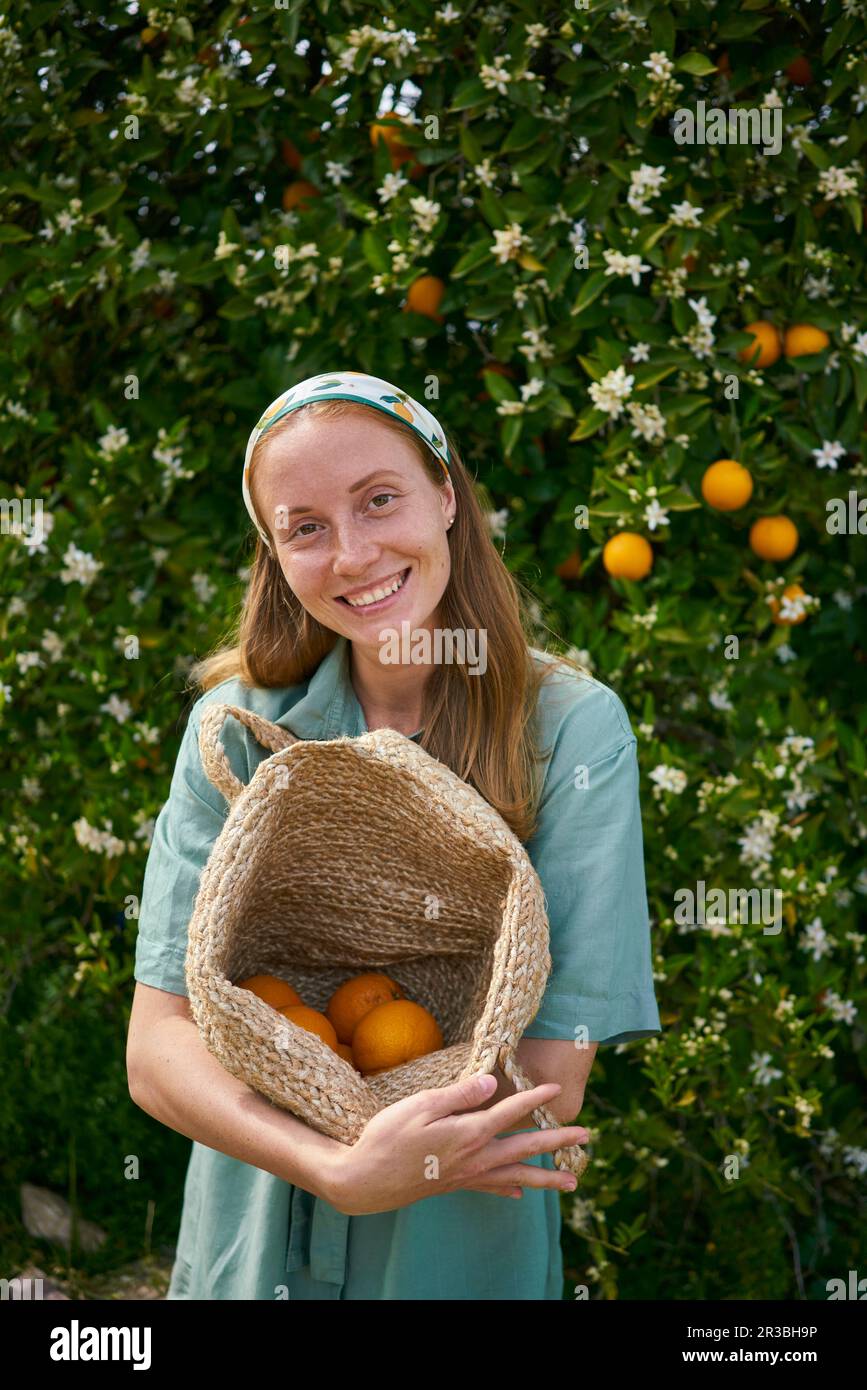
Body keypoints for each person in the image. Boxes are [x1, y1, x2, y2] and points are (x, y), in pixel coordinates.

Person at [126, 370, 662, 1300]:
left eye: (379, 501)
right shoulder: (237, 729)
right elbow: (157, 1048)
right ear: (275, 554)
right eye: (305, 528)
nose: (353, 554)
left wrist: (345, 1133)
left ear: (446, 493)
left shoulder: (570, 730)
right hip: (251, 1238)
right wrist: (333, 1167)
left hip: (448, 1251)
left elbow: (545, 1079)